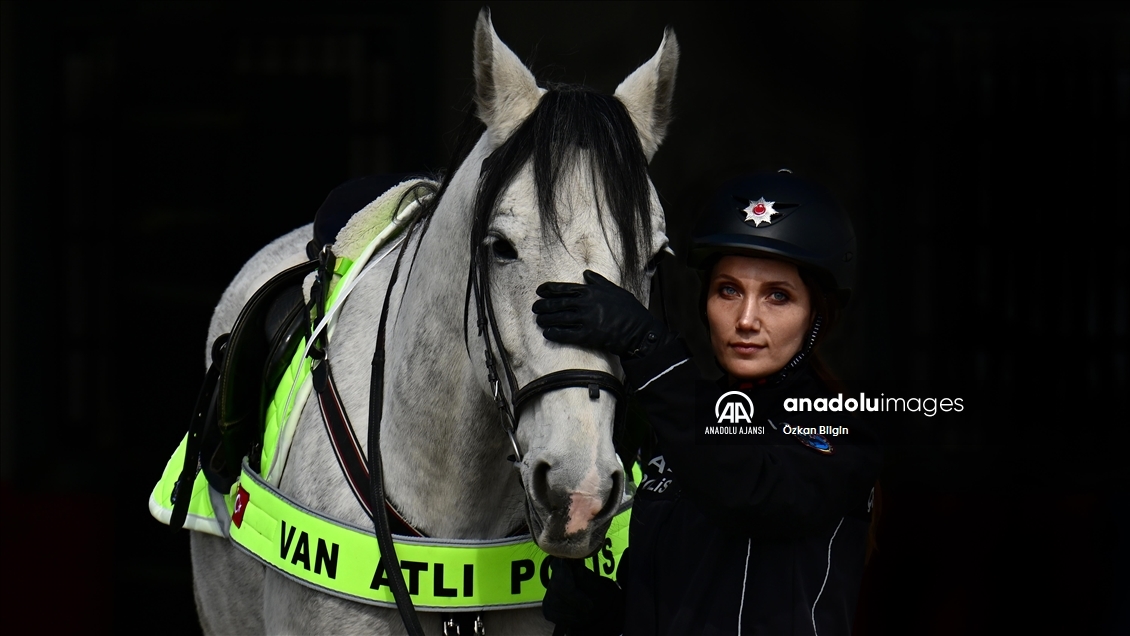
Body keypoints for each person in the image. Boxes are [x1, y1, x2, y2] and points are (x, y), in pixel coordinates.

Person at [534, 170, 882, 635]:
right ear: (705, 304)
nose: (746, 319)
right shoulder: (675, 425)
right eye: (729, 291)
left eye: (778, 296)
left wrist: (648, 347)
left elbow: (746, 490)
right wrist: (608, 615)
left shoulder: (844, 427)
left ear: (817, 314)